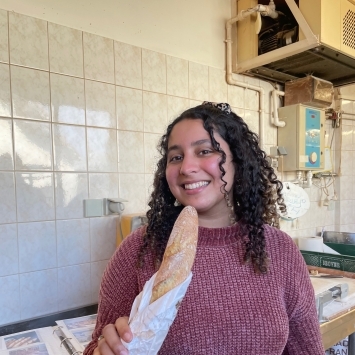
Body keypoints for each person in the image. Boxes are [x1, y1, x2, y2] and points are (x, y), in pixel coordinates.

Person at [84, 102, 324, 355]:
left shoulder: (280, 250)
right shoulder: (139, 250)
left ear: (238, 161)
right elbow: (97, 344)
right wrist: (103, 350)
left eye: (205, 151)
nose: (186, 167)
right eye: (175, 157)